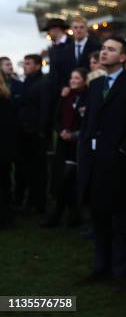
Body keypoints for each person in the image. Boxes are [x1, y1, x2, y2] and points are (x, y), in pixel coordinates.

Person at [80, 36, 126, 289]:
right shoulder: (95, 85)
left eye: (110, 49)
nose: (103, 52)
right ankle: (101, 267)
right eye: (103, 48)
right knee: (99, 219)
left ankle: (120, 274)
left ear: (122, 57)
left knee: (120, 222)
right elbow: (88, 123)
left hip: (118, 164)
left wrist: (122, 150)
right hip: (95, 163)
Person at [41, 68, 88, 227]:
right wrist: (61, 131)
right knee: (63, 181)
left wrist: (73, 134)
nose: (72, 80)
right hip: (63, 144)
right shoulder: (66, 96)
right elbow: (56, 118)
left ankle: (61, 215)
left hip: (78, 146)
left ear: (84, 80)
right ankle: (69, 215)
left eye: (77, 77)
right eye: (71, 77)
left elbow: (87, 123)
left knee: (68, 181)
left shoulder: (87, 97)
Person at [18, 54, 49, 214]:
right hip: (25, 133)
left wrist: (41, 131)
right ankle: (31, 201)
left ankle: (39, 204)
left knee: (39, 171)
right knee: (28, 170)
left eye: (28, 63)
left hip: (36, 134)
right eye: (25, 63)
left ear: (38, 65)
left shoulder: (43, 83)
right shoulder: (27, 81)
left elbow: (44, 109)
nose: (25, 66)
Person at [0, 71, 18, 228]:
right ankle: (7, 217)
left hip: (3, 149)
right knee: (5, 184)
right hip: (5, 150)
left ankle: (5, 218)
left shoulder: (4, 100)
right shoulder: (7, 98)